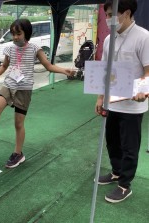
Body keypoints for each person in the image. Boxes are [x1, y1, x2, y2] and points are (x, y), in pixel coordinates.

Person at [0, 19, 74, 168]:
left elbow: (48, 65)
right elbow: (4, 65)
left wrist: (64, 70)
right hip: (9, 84)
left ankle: (18, 153)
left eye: (18, 33)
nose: (15, 37)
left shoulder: (35, 48)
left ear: (26, 33)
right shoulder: (9, 48)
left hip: (24, 88)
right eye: (13, 34)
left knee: (18, 123)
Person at [95, 0, 149, 203]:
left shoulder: (143, 37)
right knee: (112, 141)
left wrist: (143, 90)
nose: (108, 19)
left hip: (133, 105)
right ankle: (116, 172)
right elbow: (103, 70)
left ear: (126, 12)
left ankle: (125, 185)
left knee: (129, 146)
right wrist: (100, 97)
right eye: (107, 15)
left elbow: (148, 70)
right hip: (112, 101)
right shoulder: (109, 39)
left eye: (111, 14)